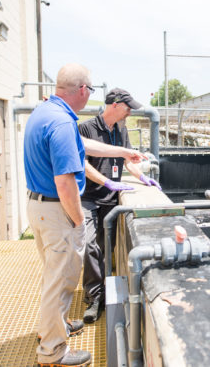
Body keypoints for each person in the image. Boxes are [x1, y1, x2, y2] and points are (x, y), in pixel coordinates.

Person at [24, 64, 145, 367]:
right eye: (90, 90)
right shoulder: (64, 122)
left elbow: (83, 146)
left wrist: (123, 153)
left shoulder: (44, 113)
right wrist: (79, 222)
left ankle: (53, 328)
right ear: (82, 90)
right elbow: (65, 183)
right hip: (57, 209)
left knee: (53, 277)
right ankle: (52, 351)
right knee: (61, 281)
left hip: (38, 206)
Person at [78, 88, 161, 323]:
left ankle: (102, 291)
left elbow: (127, 161)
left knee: (105, 249)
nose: (130, 112)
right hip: (88, 197)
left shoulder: (121, 130)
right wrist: (105, 181)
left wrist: (142, 178)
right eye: (127, 108)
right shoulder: (86, 128)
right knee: (88, 245)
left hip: (111, 199)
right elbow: (80, 162)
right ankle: (94, 298)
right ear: (114, 105)